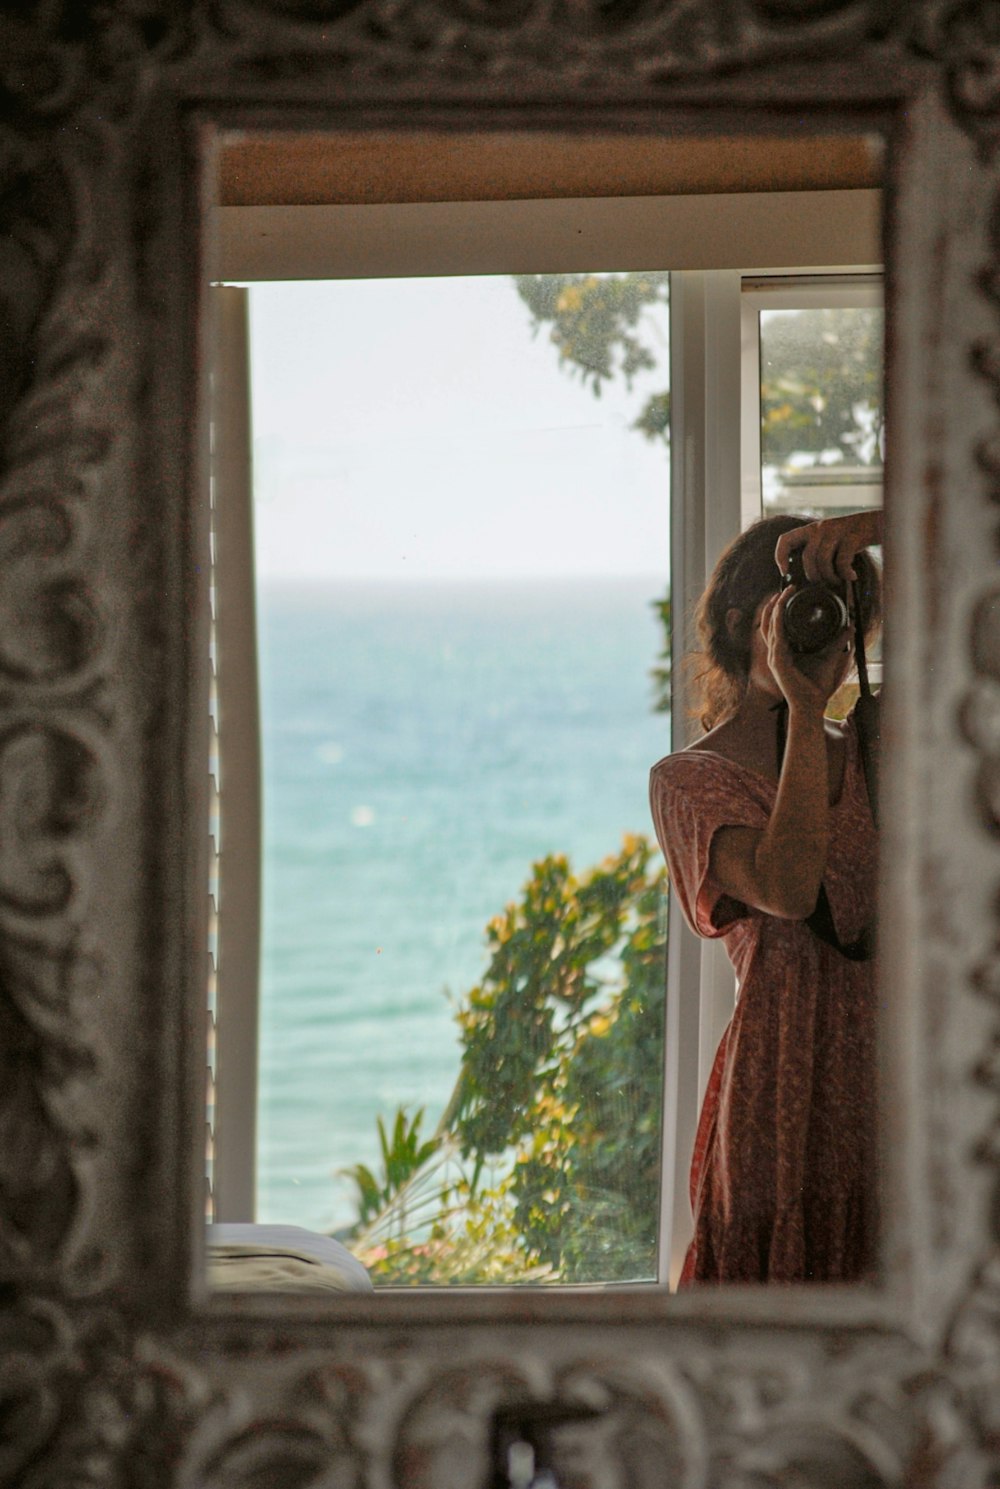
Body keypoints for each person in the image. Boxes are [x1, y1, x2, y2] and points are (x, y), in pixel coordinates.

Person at [649, 509, 883, 1284]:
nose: (820, 633)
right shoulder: (689, 779)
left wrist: (877, 527)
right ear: (745, 622)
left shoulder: (887, 749)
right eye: (798, 611)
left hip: (898, 1082)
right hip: (782, 1092)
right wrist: (808, 710)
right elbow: (786, 885)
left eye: (836, 612)